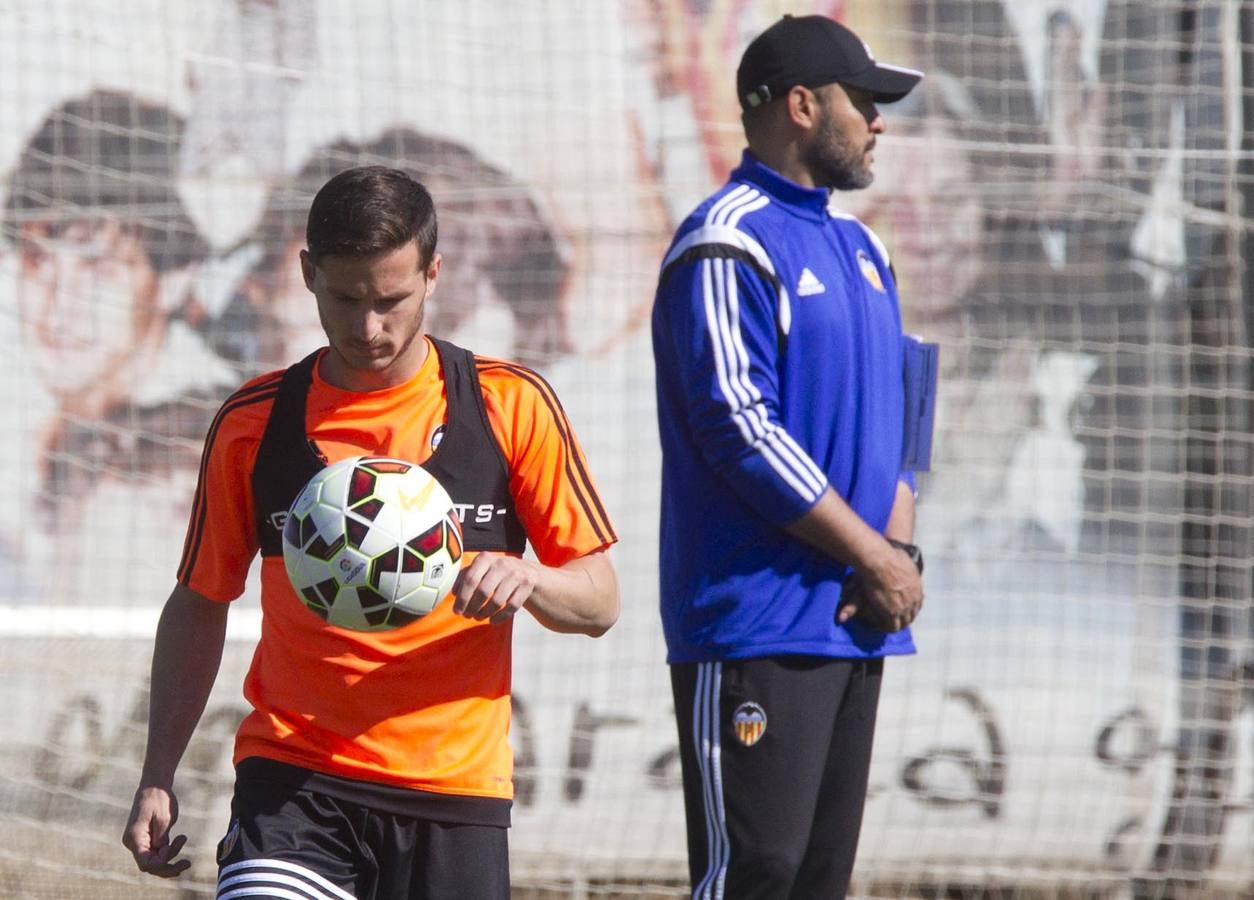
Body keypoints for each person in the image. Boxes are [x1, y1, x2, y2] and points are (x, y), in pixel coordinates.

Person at [121, 165, 620, 898]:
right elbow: (200, 600)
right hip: (294, 781)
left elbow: (600, 601)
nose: (368, 328)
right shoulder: (253, 424)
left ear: (434, 273)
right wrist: (157, 770)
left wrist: (534, 579)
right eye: (345, 298)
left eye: (391, 300)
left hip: (455, 792)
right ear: (306, 273)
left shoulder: (511, 405)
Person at [650, 15, 927, 898]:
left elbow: (906, 417)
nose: (880, 122)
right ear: (803, 106)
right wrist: (873, 554)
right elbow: (739, 425)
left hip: (857, 617)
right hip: (754, 618)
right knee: (755, 875)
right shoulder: (725, 239)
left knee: (817, 881)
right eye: (867, 102)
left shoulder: (864, 247)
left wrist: (898, 552)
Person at [0, 89, 232, 597]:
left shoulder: (208, 453)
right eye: (39, 263)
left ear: (174, 279)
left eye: (99, 269)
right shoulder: (28, 436)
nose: (61, 305)